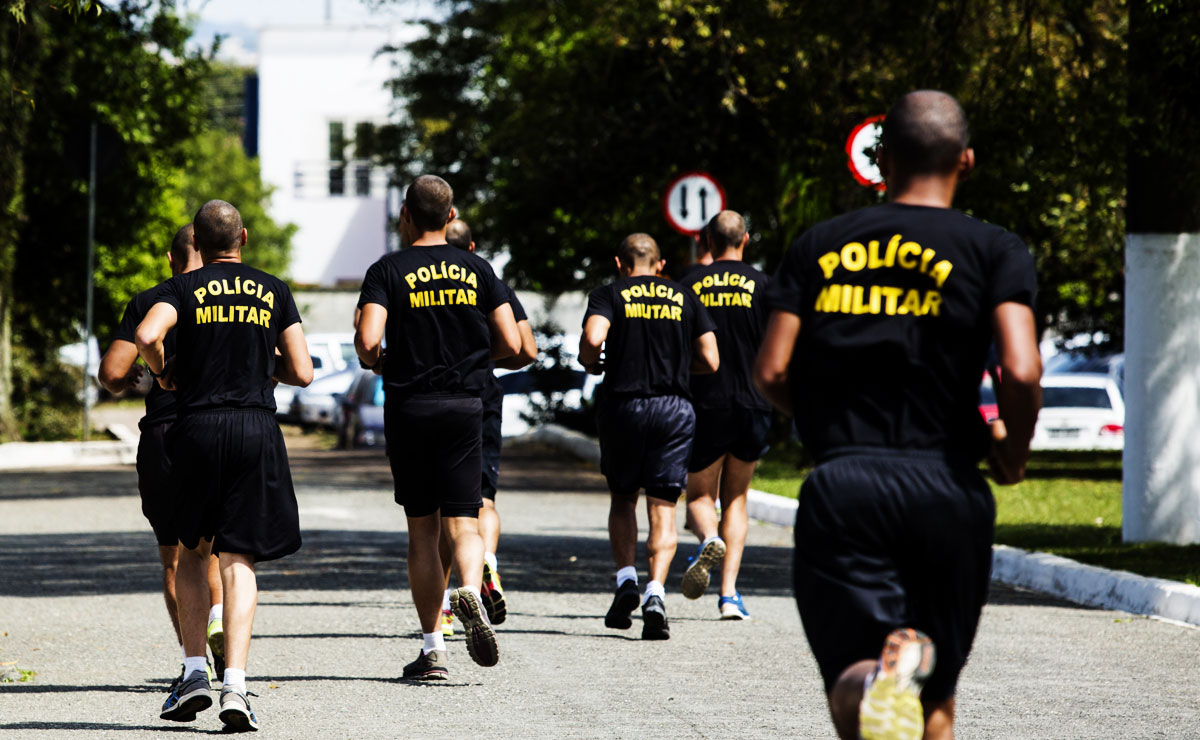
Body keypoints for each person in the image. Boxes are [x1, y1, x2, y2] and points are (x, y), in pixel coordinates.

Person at [754, 90, 1041, 740]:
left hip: (845, 486)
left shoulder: (819, 244)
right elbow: (1021, 368)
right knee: (936, 700)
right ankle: (904, 676)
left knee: (853, 675)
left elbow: (771, 370)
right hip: (950, 487)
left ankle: (879, 680)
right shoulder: (995, 250)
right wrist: (1013, 453)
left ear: (881, 160)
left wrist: (830, 421)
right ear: (966, 161)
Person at [136, 200, 313, 732]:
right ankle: (235, 685)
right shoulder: (273, 289)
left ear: (199, 244)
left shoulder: (181, 289)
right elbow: (302, 371)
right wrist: (263, 365)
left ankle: (193, 673)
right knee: (239, 560)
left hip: (197, 428)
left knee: (193, 553)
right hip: (255, 429)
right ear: (243, 237)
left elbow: (147, 336)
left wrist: (166, 373)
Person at [355, 175, 521, 680]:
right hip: (465, 405)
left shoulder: (388, 269)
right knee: (464, 522)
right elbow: (513, 344)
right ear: (451, 217)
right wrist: (473, 358)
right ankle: (469, 586)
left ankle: (433, 649)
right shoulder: (478, 268)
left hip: (410, 405)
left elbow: (367, 341)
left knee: (422, 530)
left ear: (405, 214)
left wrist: (384, 360)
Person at [98, 224, 227, 686]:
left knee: (174, 560)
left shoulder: (150, 300)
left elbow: (112, 373)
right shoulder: (236, 295)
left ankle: (193, 664)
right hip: (219, 432)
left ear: (172, 259)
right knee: (210, 553)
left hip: (163, 436)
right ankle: (217, 621)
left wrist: (135, 377)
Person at [580, 233, 719, 640]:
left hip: (624, 406)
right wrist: (677, 366)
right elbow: (710, 358)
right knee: (663, 506)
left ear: (621, 263)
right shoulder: (683, 295)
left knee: (623, 497)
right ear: (660, 265)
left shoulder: (609, 293)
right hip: (674, 409)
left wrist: (592, 363)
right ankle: (656, 593)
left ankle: (627, 580)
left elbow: (592, 340)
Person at [438, 219, 538, 634]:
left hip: (434, 398)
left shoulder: (415, 275)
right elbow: (525, 349)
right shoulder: (489, 280)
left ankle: (444, 607)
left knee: (446, 511)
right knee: (483, 498)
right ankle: (487, 564)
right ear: (474, 246)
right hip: (483, 396)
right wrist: (483, 359)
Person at [676, 210, 771, 619]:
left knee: (699, 495)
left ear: (706, 242)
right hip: (754, 403)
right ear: (745, 240)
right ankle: (730, 595)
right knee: (737, 498)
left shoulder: (687, 284)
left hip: (704, 402)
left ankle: (708, 539)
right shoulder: (765, 284)